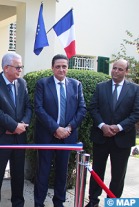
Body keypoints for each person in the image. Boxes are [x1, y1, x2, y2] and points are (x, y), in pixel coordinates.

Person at [34, 54, 86, 207]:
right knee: (42, 172)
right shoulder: (42, 84)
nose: (61, 69)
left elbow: (82, 109)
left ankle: (59, 202)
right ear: (52, 68)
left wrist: (68, 128)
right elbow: (39, 109)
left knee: (62, 172)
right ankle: (39, 203)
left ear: (67, 67)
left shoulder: (76, 85)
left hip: (67, 137)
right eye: (58, 66)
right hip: (46, 136)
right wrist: (56, 128)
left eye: (64, 66)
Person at [85, 59, 139, 207]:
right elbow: (93, 108)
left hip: (122, 139)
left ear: (126, 72)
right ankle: (93, 201)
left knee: (118, 175)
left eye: (120, 69)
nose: (116, 71)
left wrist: (119, 127)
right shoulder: (101, 87)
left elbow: (136, 113)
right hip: (101, 137)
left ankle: (114, 202)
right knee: (97, 172)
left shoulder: (135, 89)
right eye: (114, 68)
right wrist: (103, 126)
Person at [0, 52, 32, 207]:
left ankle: (18, 204)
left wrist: (22, 125)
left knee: (18, 177)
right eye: (18, 67)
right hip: (0, 138)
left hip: (19, 139)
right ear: (6, 68)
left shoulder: (22, 83)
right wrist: (13, 126)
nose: (20, 70)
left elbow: (28, 107)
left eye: (21, 67)